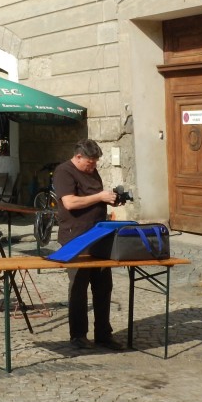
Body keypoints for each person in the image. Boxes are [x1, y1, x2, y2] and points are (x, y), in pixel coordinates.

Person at [53, 138, 123, 351]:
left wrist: (109, 199)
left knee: (103, 286)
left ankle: (103, 334)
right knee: (78, 287)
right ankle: (78, 336)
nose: (93, 166)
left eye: (95, 162)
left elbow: (94, 197)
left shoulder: (91, 171)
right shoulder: (64, 172)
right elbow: (70, 202)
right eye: (90, 162)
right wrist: (100, 196)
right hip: (76, 238)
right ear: (78, 157)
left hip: (98, 237)